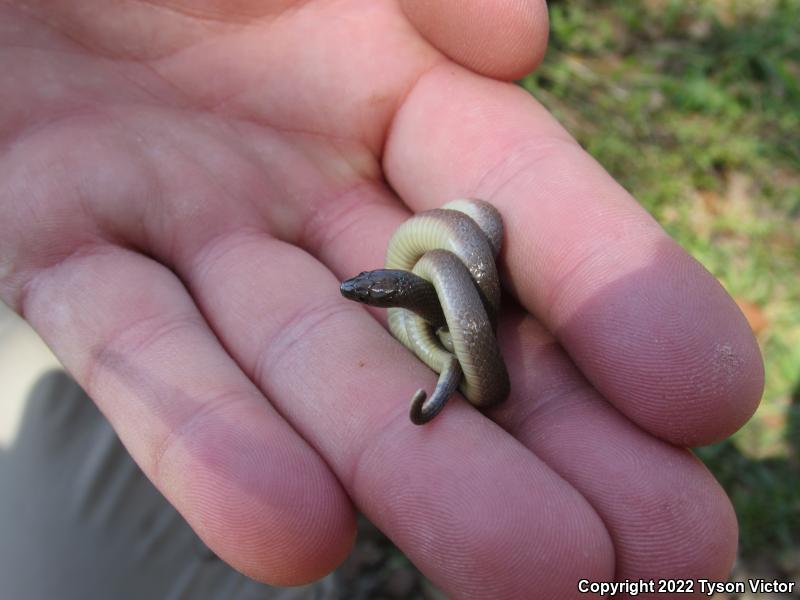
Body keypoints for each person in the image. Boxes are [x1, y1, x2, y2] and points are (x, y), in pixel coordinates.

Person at [0, 1, 764, 598]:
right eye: (371, 289)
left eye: (372, 288)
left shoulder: (431, 271)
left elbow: (450, 279)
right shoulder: (420, 283)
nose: (365, 290)